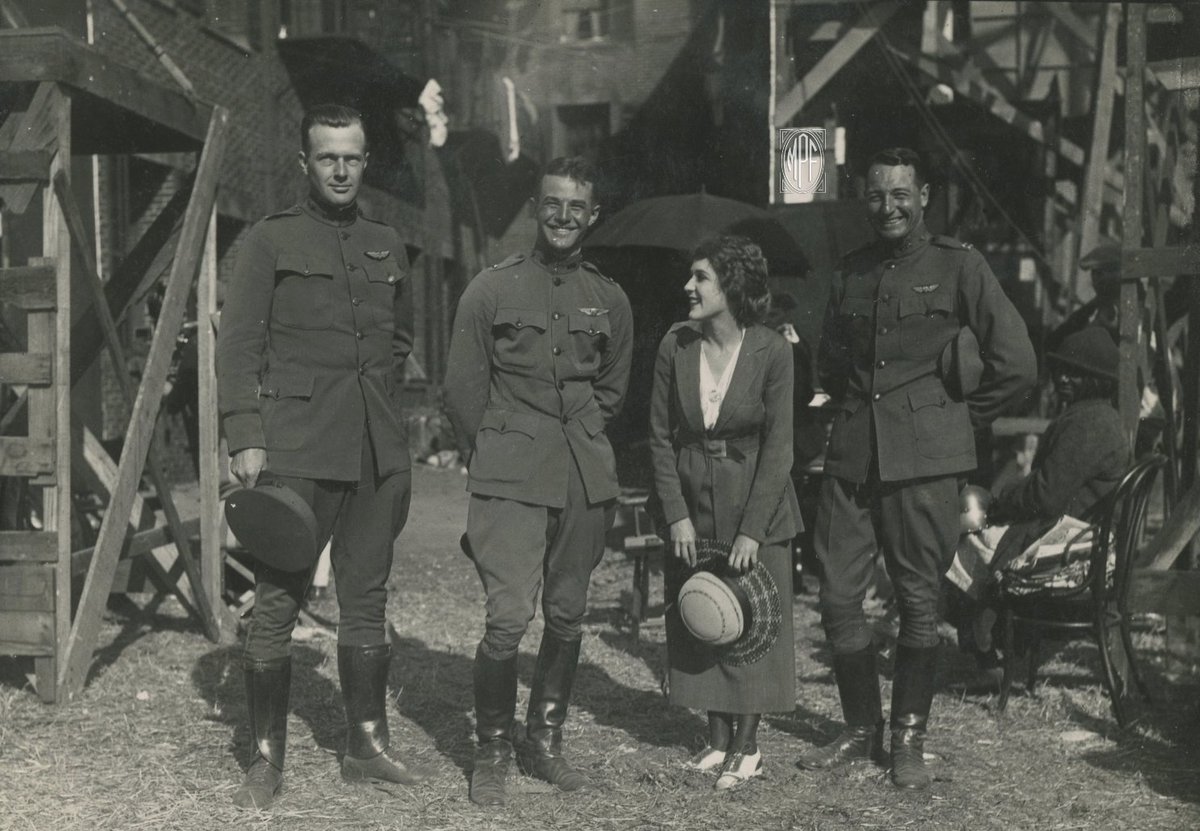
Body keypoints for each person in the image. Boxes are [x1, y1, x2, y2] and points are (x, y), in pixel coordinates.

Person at [799, 147, 1037, 789]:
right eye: (877, 195)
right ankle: (860, 729)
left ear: (924, 196)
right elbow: (831, 365)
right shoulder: (851, 271)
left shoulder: (960, 266)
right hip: (855, 458)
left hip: (925, 463)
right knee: (837, 596)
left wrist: (952, 421)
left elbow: (1017, 364)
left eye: (901, 195)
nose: (889, 208)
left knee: (918, 601)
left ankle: (907, 740)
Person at [216, 104, 424, 810]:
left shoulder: (386, 242)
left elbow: (397, 340)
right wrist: (246, 432)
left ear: (366, 162)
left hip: (374, 448)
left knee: (367, 597)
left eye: (352, 157)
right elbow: (238, 344)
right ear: (305, 163)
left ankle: (365, 746)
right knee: (278, 599)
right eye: (327, 157)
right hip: (299, 445)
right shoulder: (269, 240)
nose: (340, 169)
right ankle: (265, 759)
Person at [443, 156, 633, 807]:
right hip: (509, 473)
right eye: (552, 203)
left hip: (582, 473)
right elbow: (462, 388)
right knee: (507, 618)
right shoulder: (490, 289)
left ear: (593, 215)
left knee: (568, 612)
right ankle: (492, 749)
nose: (562, 216)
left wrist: (574, 438)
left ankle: (543, 741)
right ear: (535, 207)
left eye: (576, 207)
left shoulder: (609, 299)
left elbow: (611, 391)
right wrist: (498, 449)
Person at [649, 235, 803, 790]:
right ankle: (717, 740)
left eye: (701, 278)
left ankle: (748, 747)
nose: (688, 287)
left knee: (753, 619)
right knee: (703, 612)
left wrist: (752, 531)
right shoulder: (675, 344)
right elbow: (659, 437)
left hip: (756, 503)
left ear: (732, 287)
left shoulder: (773, 351)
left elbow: (780, 448)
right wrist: (675, 513)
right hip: (693, 502)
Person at [947, 326, 1133, 681]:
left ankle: (986, 650)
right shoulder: (1097, 417)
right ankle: (988, 645)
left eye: (1075, 373)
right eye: (1061, 370)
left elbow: (1045, 495)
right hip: (1085, 538)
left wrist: (999, 502)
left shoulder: (1089, 424)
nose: (1063, 378)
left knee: (951, 543)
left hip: (1071, 550)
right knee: (970, 532)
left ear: (1095, 380)